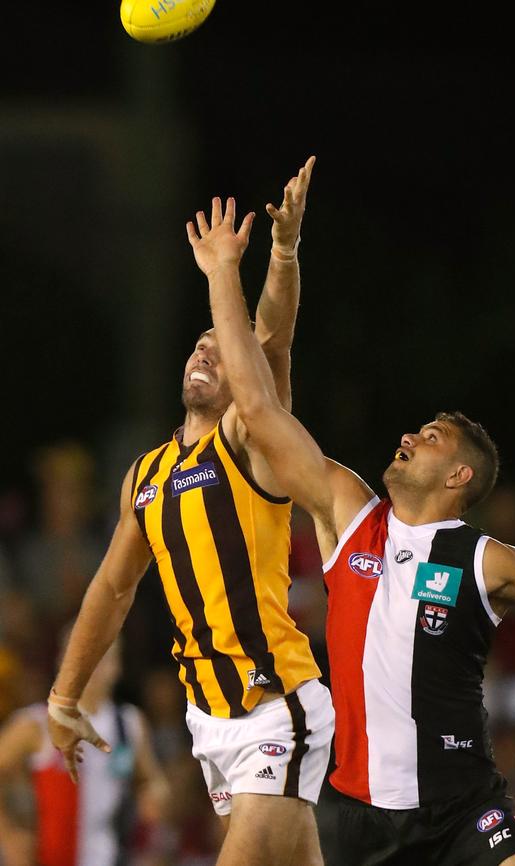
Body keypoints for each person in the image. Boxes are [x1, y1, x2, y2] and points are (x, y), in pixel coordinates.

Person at [185, 194, 515, 866]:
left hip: (465, 809)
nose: (409, 435)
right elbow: (257, 406)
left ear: (460, 476)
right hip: (357, 818)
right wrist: (235, 268)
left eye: (430, 438)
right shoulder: (349, 512)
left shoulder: (488, 560)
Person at [47, 159, 335, 866]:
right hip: (209, 721)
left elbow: (269, 342)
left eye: (217, 346)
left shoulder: (248, 439)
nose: (208, 347)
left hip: (275, 707)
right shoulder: (145, 477)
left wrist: (280, 254)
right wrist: (63, 695)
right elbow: (113, 590)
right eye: (198, 344)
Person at [0, 636, 169, 866]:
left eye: (102, 657)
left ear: (117, 666)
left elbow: (151, 782)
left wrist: (154, 798)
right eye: (81, 655)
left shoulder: (129, 724)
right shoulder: (36, 723)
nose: (92, 666)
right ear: (62, 662)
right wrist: (8, 835)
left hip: (112, 857)